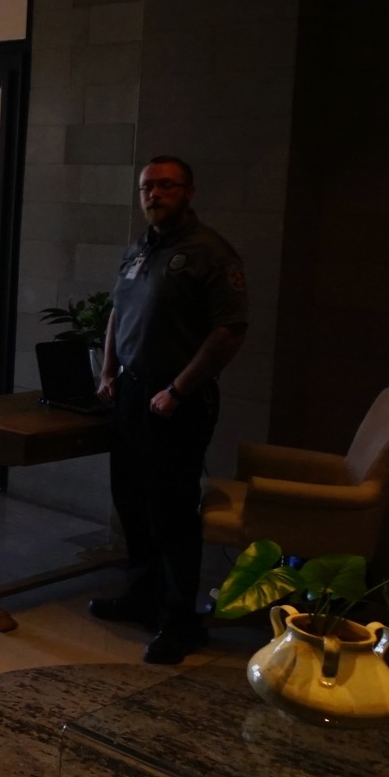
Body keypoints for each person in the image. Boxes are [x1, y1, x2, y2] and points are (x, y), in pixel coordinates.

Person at [91, 155, 248, 664]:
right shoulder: (139, 249)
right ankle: (141, 596)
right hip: (131, 393)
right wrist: (108, 370)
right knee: (132, 502)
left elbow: (230, 330)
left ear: (189, 192)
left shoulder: (210, 252)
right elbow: (118, 310)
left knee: (172, 513)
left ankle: (180, 622)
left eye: (166, 186)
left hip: (177, 401)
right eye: (147, 187)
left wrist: (178, 389)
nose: (154, 195)